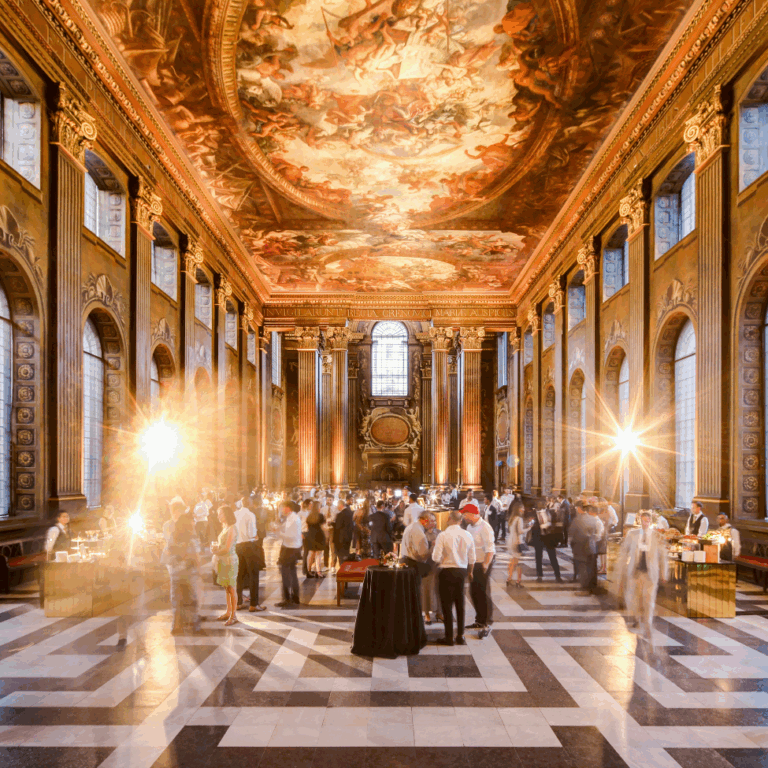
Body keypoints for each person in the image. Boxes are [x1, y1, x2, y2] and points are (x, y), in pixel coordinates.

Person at [616, 510, 668, 651]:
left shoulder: (657, 536)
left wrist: (664, 573)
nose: (645, 523)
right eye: (643, 521)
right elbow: (624, 551)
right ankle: (638, 620)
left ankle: (648, 625)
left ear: (650, 521)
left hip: (650, 574)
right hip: (635, 572)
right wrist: (620, 570)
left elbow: (663, 557)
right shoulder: (632, 535)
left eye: (647, 521)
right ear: (640, 521)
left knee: (649, 600)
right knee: (635, 599)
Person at [432, 511, 476, 646]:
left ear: (450, 519)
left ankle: (449, 637)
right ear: (460, 521)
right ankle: (461, 636)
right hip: (461, 572)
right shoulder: (467, 535)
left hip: (446, 572)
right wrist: (470, 572)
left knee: (446, 606)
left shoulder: (443, 535)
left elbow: (435, 557)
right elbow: (472, 558)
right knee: (460, 604)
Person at [462, 505, 495, 637]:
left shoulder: (485, 527)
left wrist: (485, 566)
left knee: (482, 592)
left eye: (465, 514)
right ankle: (479, 620)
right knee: (474, 592)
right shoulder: (470, 527)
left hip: (483, 563)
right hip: (474, 563)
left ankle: (486, 623)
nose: (464, 517)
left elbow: (490, 550)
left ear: (472, 514)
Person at [168, 514, 202, 634]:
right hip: (189, 572)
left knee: (176, 600)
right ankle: (194, 623)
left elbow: (168, 552)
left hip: (175, 572)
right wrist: (199, 571)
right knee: (192, 598)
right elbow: (196, 556)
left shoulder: (173, 536)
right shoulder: (192, 538)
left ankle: (176, 626)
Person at [234, 497, 263, 612]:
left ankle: (239, 602)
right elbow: (251, 533)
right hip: (249, 546)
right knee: (253, 575)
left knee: (239, 575)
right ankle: (254, 604)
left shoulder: (235, 514)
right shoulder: (250, 515)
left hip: (237, 546)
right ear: (249, 503)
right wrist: (256, 536)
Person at [211, 505, 238, 626]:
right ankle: (228, 612)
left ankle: (234, 615)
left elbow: (227, 548)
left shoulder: (232, 528)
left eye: (220, 514)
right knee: (226, 587)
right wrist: (216, 548)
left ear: (226, 514)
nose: (218, 516)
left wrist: (215, 551)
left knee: (231, 588)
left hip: (230, 560)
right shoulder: (225, 527)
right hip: (223, 560)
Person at [569, 503, 603, 595]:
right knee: (589, 568)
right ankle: (589, 587)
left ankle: (587, 588)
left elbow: (598, 536)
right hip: (589, 548)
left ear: (591, 512)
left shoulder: (594, 521)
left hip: (587, 548)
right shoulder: (592, 520)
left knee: (587, 568)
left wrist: (589, 540)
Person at [276, 500, 302, 608]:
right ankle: (295, 597)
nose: (281, 509)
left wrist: (278, 532)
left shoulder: (293, 519)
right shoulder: (292, 518)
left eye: (283, 507)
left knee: (286, 574)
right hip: (292, 548)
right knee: (292, 573)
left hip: (290, 549)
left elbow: (290, 536)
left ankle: (287, 598)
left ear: (288, 508)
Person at [530, 505, 563, 582]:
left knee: (552, 557)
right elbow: (531, 526)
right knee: (538, 558)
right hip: (539, 538)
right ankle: (539, 576)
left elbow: (556, 524)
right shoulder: (534, 514)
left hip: (549, 538)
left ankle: (558, 575)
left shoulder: (550, 512)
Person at [506, 506, 530, 587]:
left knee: (512, 560)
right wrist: (529, 528)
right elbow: (520, 531)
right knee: (518, 562)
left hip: (510, 541)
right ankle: (518, 581)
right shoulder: (519, 519)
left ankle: (509, 578)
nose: (523, 509)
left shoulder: (512, 518)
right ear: (518, 509)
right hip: (517, 542)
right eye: (522, 508)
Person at [305, 502, 326, 577]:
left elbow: (307, 527)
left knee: (311, 554)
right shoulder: (320, 516)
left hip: (310, 535)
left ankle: (308, 571)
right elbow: (323, 527)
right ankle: (318, 572)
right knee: (318, 554)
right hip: (319, 535)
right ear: (318, 508)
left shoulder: (309, 516)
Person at [333, 498, 355, 564]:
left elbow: (338, 526)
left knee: (341, 555)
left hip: (341, 538)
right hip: (349, 536)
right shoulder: (351, 512)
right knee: (346, 553)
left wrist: (332, 523)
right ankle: (346, 568)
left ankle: (342, 568)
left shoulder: (340, 515)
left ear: (341, 505)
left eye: (337, 505)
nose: (337, 507)